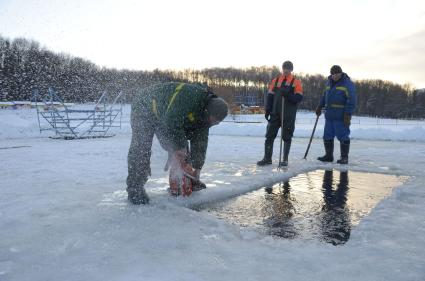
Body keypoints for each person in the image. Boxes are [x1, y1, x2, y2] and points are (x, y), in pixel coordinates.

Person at [126, 82, 228, 204]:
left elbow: (200, 141)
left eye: (216, 123)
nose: (213, 124)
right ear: (208, 111)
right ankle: (135, 189)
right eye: (213, 120)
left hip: (164, 114)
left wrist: (197, 168)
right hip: (144, 106)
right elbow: (171, 122)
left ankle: (184, 183)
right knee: (142, 147)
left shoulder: (205, 116)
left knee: (181, 150)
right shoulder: (188, 99)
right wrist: (178, 149)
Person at [257, 61, 304, 167]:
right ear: (282, 69)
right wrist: (268, 109)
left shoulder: (296, 82)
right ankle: (267, 158)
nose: (286, 70)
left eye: (288, 68)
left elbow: (299, 98)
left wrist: (288, 96)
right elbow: (270, 96)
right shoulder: (276, 80)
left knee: (287, 136)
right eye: (284, 68)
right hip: (275, 112)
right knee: (269, 135)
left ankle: (285, 160)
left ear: (291, 69)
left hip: (288, 114)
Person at [315, 65, 356, 164]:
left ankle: (344, 157)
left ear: (341, 73)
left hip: (341, 116)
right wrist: (319, 106)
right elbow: (325, 95)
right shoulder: (328, 82)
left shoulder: (347, 84)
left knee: (343, 136)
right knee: (327, 136)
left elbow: (352, 100)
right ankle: (329, 156)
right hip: (329, 116)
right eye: (333, 74)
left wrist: (347, 114)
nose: (335, 76)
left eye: (337, 74)